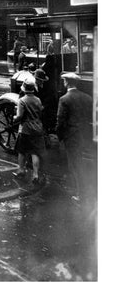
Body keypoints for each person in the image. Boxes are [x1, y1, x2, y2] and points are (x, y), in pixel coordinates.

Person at [56, 72, 94, 203]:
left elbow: (60, 122)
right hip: (86, 136)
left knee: (76, 165)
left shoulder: (64, 99)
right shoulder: (88, 98)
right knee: (86, 164)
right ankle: (88, 191)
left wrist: (60, 137)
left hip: (72, 138)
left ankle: (81, 195)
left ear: (66, 82)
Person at [12, 80, 46, 186]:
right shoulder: (38, 100)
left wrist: (14, 118)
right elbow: (40, 112)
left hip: (25, 129)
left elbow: (19, 116)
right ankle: (35, 174)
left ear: (24, 89)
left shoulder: (22, 100)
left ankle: (21, 170)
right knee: (34, 152)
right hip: (37, 128)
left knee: (22, 151)